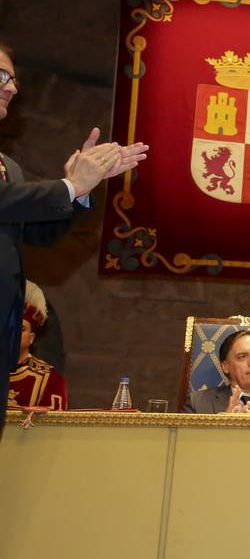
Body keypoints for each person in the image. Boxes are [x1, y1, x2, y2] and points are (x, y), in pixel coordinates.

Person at [0, 41, 149, 438]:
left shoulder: (8, 167)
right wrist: (67, 185)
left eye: (13, 80)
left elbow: (41, 235)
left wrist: (82, 190)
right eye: (1, 76)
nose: (11, 89)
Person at [6, 281, 68, 412]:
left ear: (31, 338)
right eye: (9, 328)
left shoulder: (50, 378)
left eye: (21, 329)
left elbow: (55, 427)